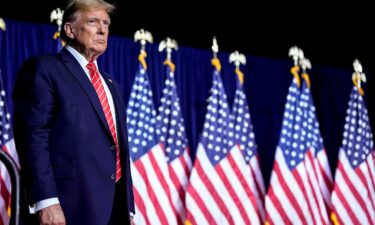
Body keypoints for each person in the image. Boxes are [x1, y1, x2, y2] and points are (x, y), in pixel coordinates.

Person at [12, 0, 135, 224]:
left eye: (106, 23)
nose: (102, 29)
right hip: (68, 207)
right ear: (69, 29)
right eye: (93, 22)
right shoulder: (45, 69)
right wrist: (46, 201)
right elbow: (33, 137)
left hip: (113, 210)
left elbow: (118, 148)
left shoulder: (110, 83)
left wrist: (127, 209)